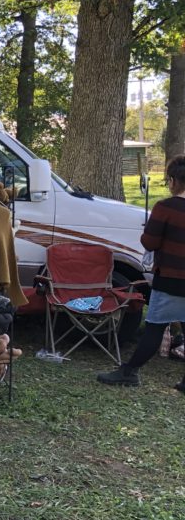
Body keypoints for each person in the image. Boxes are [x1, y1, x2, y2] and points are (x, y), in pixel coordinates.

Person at [98, 155, 185, 386]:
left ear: (174, 180)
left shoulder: (165, 208)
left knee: (154, 329)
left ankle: (129, 372)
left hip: (171, 279)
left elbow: (150, 242)